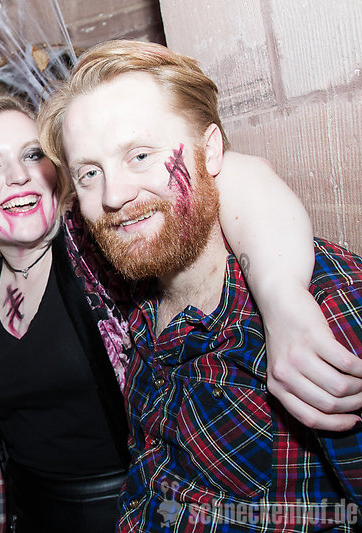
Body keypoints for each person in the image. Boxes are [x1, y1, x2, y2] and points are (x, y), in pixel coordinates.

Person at [0, 91, 360, 531]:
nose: (19, 176)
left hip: (128, 506)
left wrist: (281, 295)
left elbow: (233, 174)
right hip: (31, 515)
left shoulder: (96, 242)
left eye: (32, 155)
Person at [38, 39, 362, 531]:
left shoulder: (324, 309)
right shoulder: (136, 292)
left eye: (140, 155)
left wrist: (281, 295)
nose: (114, 195)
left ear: (210, 151)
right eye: (89, 173)